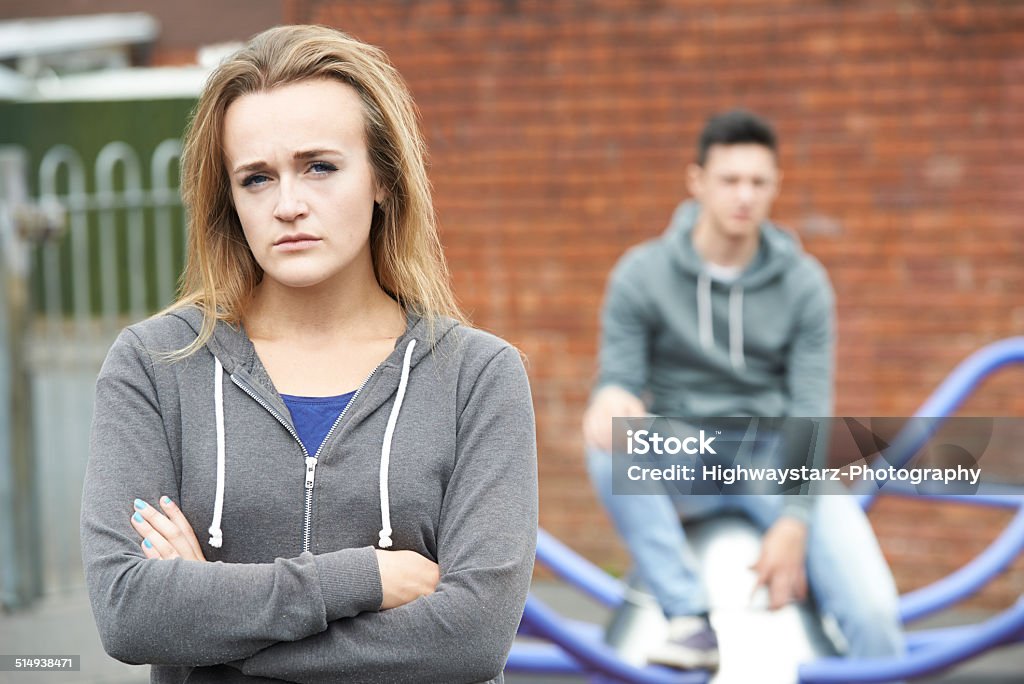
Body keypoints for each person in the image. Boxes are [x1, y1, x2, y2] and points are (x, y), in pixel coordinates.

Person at [80, 25, 537, 684]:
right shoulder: (155, 365)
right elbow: (128, 613)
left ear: (383, 177)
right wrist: (366, 578)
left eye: (319, 166)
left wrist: (210, 620)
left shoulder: (478, 376)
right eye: (257, 178)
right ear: (229, 200)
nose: (288, 204)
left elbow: (472, 636)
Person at [583, 109, 904, 670]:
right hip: (686, 453)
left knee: (875, 613)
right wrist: (611, 396)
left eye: (758, 182)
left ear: (776, 186)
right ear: (697, 181)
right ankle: (689, 619)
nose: (744, 196)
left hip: (774, 457)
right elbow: (619, 377)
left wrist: (793, 522)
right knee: (607, 439)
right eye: (730, 180)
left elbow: (810, 410)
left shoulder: (804, 284)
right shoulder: (642, 274)